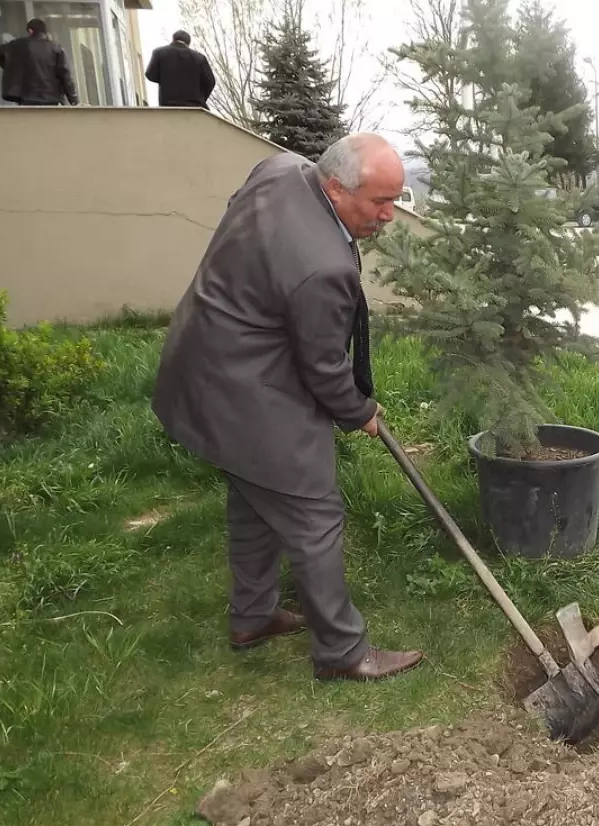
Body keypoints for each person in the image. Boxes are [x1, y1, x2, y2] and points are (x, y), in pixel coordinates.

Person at [152, 134, 423, 682]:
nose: (390, 215)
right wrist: (359, 411)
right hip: (245, 388)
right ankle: (343, 652)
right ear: (335, 186)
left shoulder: (280, 170)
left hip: (205, 353)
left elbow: (241, 213)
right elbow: (323, 369)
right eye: (379, 201)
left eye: (397, 199)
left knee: (255, 499)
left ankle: (252, 616)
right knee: (313, 516)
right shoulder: (323, 267)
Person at [0, 18, 78, 107]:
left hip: (27, 96)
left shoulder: (18, 45)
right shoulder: (56, 48)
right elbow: (66, 75)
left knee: (30, 120)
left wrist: (12, 67)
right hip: (51, 97)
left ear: (30, 31)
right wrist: (73, 99)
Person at [145, 29, 215, 109]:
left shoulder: (159, 52)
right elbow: (210, 81)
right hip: (194, 106)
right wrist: (201, 98)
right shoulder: (200, 58)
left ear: (173, 39)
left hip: (168, 105)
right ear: (188, 43)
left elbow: (150, 74)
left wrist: (165, 79)